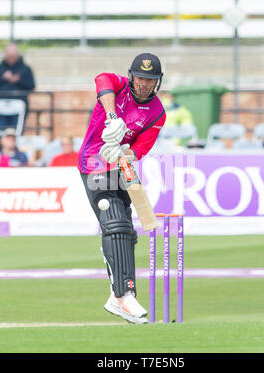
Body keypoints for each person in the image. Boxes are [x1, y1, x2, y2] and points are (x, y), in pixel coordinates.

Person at [78, 53, 166, 324]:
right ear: (131, 76)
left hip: (119, 166)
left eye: (149, 81)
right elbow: (101, 78)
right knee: (115, 224)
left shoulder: (157, 112)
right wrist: (113, 116)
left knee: (125, 231)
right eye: (140, 78)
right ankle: (121, 295)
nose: (143, 85)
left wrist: (126, 151)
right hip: (94, 161)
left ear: (157, 82)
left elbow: (142, 147)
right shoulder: (118, 87)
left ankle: (121, 295)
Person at [0, 43, 35, 132]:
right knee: (1, 130)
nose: (11, 58)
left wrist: (19, 80)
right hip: (0, 104)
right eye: (9, 55)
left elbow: (31, 85)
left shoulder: (25, 69)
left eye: (13, 56)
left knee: (17, 130)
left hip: (19, 104)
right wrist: (2, 77)